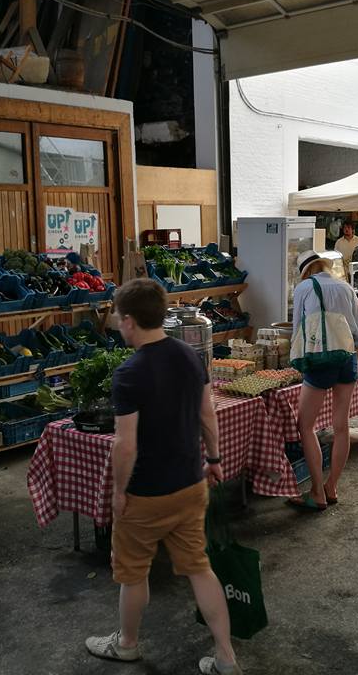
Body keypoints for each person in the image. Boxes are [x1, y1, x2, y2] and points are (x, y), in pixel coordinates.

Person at [85, 279, 240, 675]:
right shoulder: (190, 356)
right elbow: (207, 414)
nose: (119, 326)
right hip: (190, 484)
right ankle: (226, 657)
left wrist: (119, 493)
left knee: (133, 572)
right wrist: (215, 458)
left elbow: (126, 445)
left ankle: (127, 645)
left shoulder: (129, 372)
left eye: (119, 319)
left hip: (146, 492)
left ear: (131, 321)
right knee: (199, 568)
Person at [288, 251, 358, 511]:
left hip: (319, 359)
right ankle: (332, 486)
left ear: (305, 271)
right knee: (341, 426)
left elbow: (297, 329)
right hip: (346, 358)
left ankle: (317, 491)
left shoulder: (304, 287)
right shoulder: (345, 287)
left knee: (306, 425)